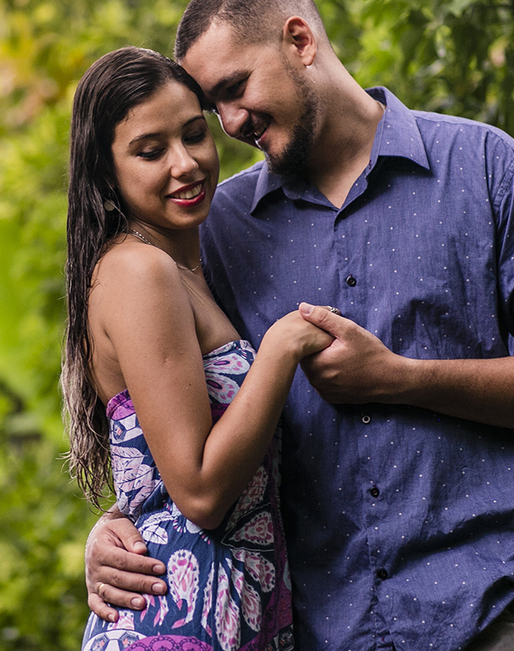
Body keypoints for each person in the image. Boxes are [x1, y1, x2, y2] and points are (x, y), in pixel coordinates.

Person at [83, 0, 514, 651]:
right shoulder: (215, 231)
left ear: (300, 41)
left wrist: (403, 378)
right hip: (317, 632)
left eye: (235, 88)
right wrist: (119, 528)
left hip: (485, 616)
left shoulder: (487, 169)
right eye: (215, 109)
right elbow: (187, 424)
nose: (232, 123)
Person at [64, 46, 336, 651]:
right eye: (150, 151)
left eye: (193, 135)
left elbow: (157, 476)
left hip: (226, 617)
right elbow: (200, 492)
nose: (185, 164)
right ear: (106, 172)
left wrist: (115, 519)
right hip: (174, 619)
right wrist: (282, 346)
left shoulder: (189, 266)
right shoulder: (139, 272)